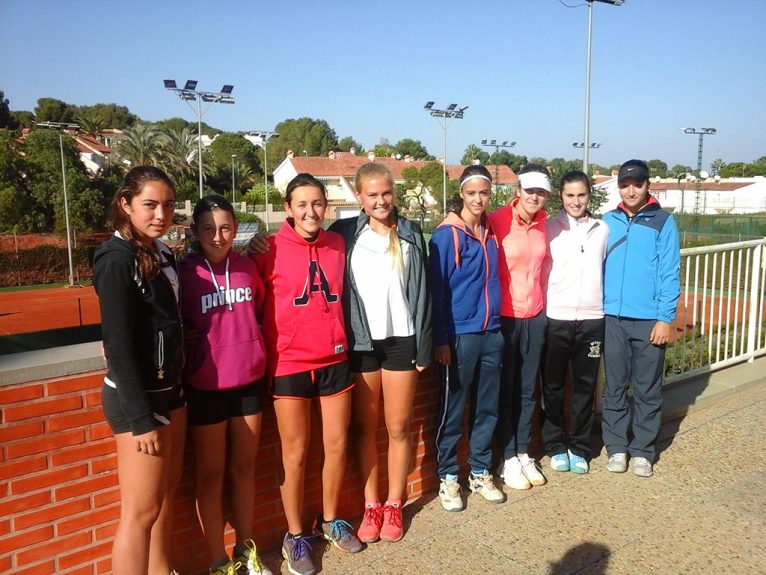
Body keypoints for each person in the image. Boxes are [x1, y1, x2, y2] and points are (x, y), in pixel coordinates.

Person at [252, 173, 362, 575]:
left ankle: (331, 520)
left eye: (317, 203)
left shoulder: (338, 243)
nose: (311, 211)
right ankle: (295, 535)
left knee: (336, 445)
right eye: (301, 204)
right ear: (288, 208)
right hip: (289, 364)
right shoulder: (268, 249)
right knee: (295, 454)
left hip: (334, 358)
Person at [329, 163, 432, 543]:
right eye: (372, 195)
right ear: (359, 197)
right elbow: (308, 248)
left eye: (386, 193)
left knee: (399, 427)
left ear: (394, 192)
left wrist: (424, 344)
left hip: (402, 340)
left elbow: (423, 293)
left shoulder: (410, 232)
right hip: (362, 342)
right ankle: (371, 505)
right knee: (364, 429)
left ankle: (394, 504)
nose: (380, 200)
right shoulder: (344, 233)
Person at [93, 166, 186, 575]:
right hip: (140, 402)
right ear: (125, 204)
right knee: (140, 512)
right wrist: (139, 420)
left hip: (171, 389)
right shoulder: (115, 259)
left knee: (165, 497)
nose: (160, 215)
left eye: (167, 205)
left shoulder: (160, 251)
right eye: (149, 205)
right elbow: (119, 345)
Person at [179, 195, 271, 575]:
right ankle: (218, 561)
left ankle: (246, 552)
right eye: (208, 229)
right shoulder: (185, 273)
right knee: (211, 476)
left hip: (249, 382)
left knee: (244, 470)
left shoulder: (249, 266)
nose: (218, 237)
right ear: (195, 232)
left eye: (226, 228)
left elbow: (260, 313)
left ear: (236, 228)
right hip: (206, 386)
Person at [429, 165, 505, 512]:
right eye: (471, 193)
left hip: (492, 331)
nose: (478, 199)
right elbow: (438, 291)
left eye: (484, 193)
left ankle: (479, 470)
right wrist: (442, 339)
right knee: (453, 408)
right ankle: (447, 476)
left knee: (487, 408)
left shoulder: (491, 230)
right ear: (461, 193)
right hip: (460, 336)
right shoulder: (447, 235)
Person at [601, 159, 680, 477]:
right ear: (618, 187)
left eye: (637, 184)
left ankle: (643, 451)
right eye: (624, 184)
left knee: (647, 389)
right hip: (612, 319)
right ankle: (617, 447)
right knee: (615, 387)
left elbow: (670, 272)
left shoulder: (663, 222)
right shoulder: (607, 221)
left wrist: (665, 318)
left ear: (648, 185)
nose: (630, 190)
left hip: (648, 320)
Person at [540, 170, 609, 475]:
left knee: (585, 385)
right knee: (553, 386)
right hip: (557, 317)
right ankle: (555, 445)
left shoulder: (603, 229)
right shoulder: (548, 229)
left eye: (581, 195)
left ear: (589, 196)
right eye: (570, 195)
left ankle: (579, 447)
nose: (576, 201)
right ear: (561, 197)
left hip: (593, 319)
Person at [489, 163, 550, 490]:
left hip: (535, 317)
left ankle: (524, 451)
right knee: (506, 391)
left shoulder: (545, 225)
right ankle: (507, 457)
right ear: (518, 191)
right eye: (530, 190)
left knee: (528, 392)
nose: (535, 197)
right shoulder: (497, 220)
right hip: (505, 319)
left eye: (541, 192)